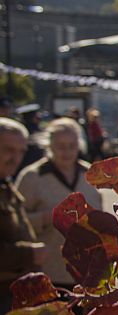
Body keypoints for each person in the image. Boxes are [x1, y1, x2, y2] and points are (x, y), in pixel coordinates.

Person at [15, 118, 102, 289]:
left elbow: (101, 221)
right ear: (49, 146)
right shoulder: (32, 177)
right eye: (60, 146)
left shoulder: (90, 175)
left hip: (85, 274)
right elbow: (16, 224)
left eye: (72, 145)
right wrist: (46, 217)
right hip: (47, 273)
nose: (67, 151)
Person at [0, 118, 45, 312]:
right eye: (8, 150)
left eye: (21, 152)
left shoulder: (5, 184)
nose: (15, 158)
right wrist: (29, 253)